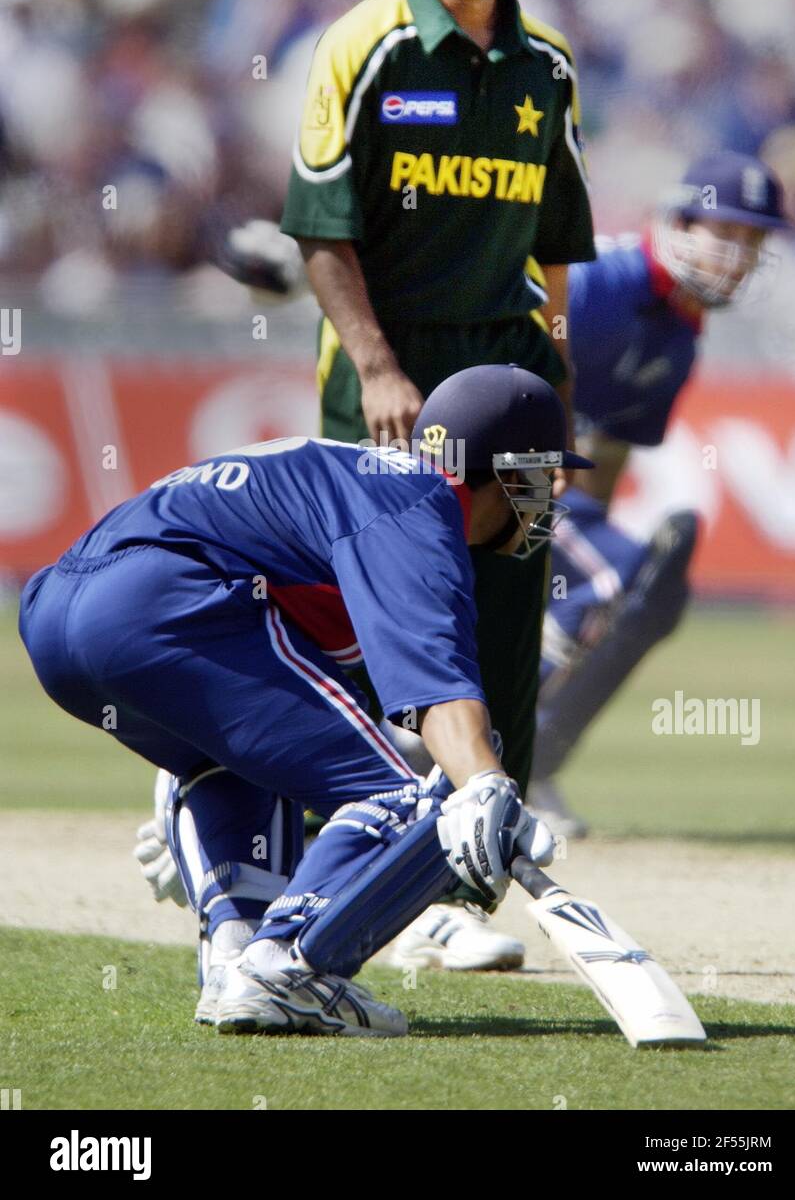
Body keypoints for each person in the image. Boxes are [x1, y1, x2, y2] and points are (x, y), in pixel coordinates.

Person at [19, 365, 591, 1037]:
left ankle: (237, 953)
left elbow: (292, 712)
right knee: (410, 806)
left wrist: (199, 825)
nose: (548, 496)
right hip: (159, 602)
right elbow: (439, 691)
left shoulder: (371, 482)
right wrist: (487, 785)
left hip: (58, 610)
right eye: (541, 474)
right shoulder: (420, 501)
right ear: (501, 468)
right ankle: (291, 967)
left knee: (241, 766)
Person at [276, 0, 596, 966]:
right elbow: (320, 235)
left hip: (508, 392)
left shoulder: (546, 66)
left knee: (508, 629)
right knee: (367, 640)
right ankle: (326, 873)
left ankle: (464, 895)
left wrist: (554, 377)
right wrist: (374, 368)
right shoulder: (362, 46)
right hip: (389, 386)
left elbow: (559, 248)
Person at [528, 152, 788, 835]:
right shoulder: (594, 280)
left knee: (647, 592)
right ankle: (476, 751)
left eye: (753, 243)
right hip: (479, 473)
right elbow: (498, 378)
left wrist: (563, 570)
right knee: (619, 576)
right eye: (726, 234)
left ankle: (528, 758)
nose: (738, 257)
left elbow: (605, 458)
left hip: (548, 494)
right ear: (678, 220)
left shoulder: (681, 335)